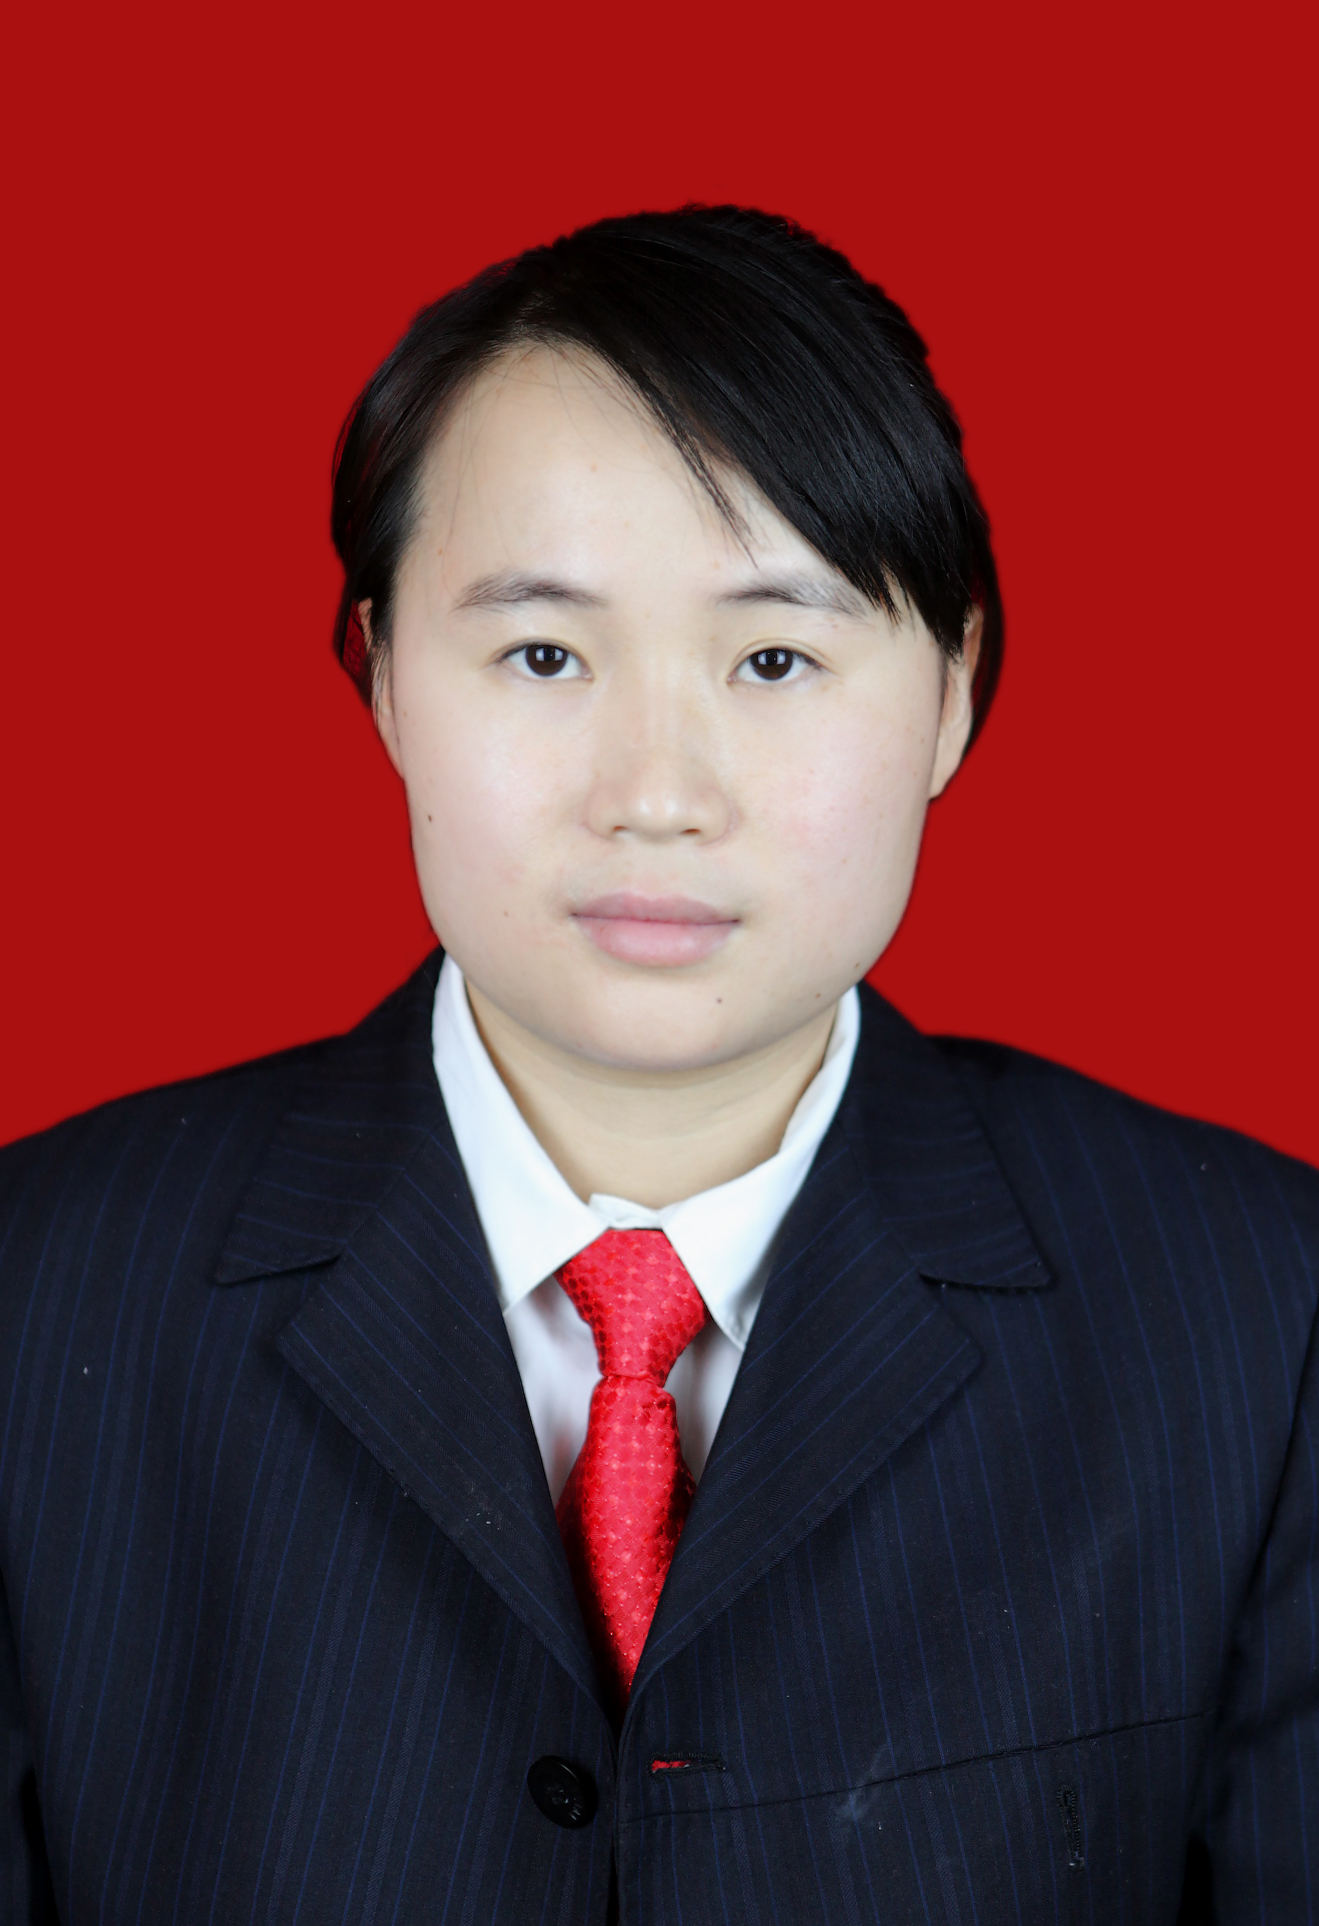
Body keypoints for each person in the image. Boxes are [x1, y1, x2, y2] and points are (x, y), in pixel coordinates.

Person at [1, 205, 1315, 1926]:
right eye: (544, 654)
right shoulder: (39, 1298)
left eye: (774, 658)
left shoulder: (1260, 1321)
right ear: (382, 675)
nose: (657, 794)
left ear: (952, 692)